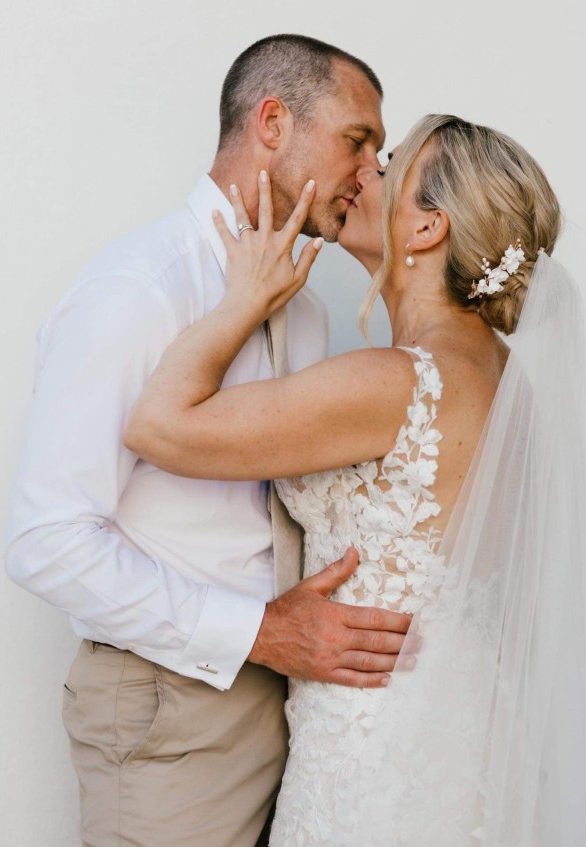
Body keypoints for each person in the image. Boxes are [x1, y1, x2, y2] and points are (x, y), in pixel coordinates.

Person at [125, 114, 586, 845]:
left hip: (378, 751)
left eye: (391, 164)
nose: (364, 172)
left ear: (428, 227)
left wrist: (244, 300)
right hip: (469, 738)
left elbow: (158, 424)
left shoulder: (397, 382)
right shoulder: (510, 382)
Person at [5, 35, 415, 847]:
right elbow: (45, 541)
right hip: (170, 715)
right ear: (273, 123)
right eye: (356, 140)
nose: (372, 171)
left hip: (291, 708)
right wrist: (260, 633)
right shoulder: (137, 290)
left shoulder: (306, 312)